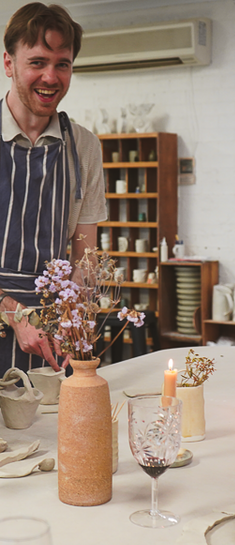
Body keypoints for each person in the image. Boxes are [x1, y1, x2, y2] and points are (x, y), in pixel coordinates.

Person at [0, 3, 107, 375]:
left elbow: (86, 256)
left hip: (50, 336)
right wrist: (12, 312)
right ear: (8, 63)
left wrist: (72, 311)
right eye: (37, 62)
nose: (51, 76)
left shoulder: (84, 147)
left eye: (62, 64)